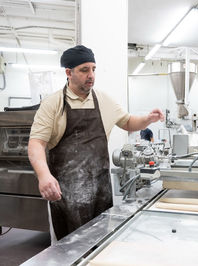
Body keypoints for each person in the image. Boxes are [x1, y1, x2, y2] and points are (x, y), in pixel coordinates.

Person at [27, 45, 164, 241]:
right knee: (70, 247)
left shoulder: (103, 99)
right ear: (69, 72)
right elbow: (36, 144)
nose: (91, 75)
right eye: (84, 70)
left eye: (93, 69)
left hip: (101, 190)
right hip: (67, 194)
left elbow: (127, 122)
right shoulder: (53, 103)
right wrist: (43, 176)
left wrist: (147, 119)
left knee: (99, 243)